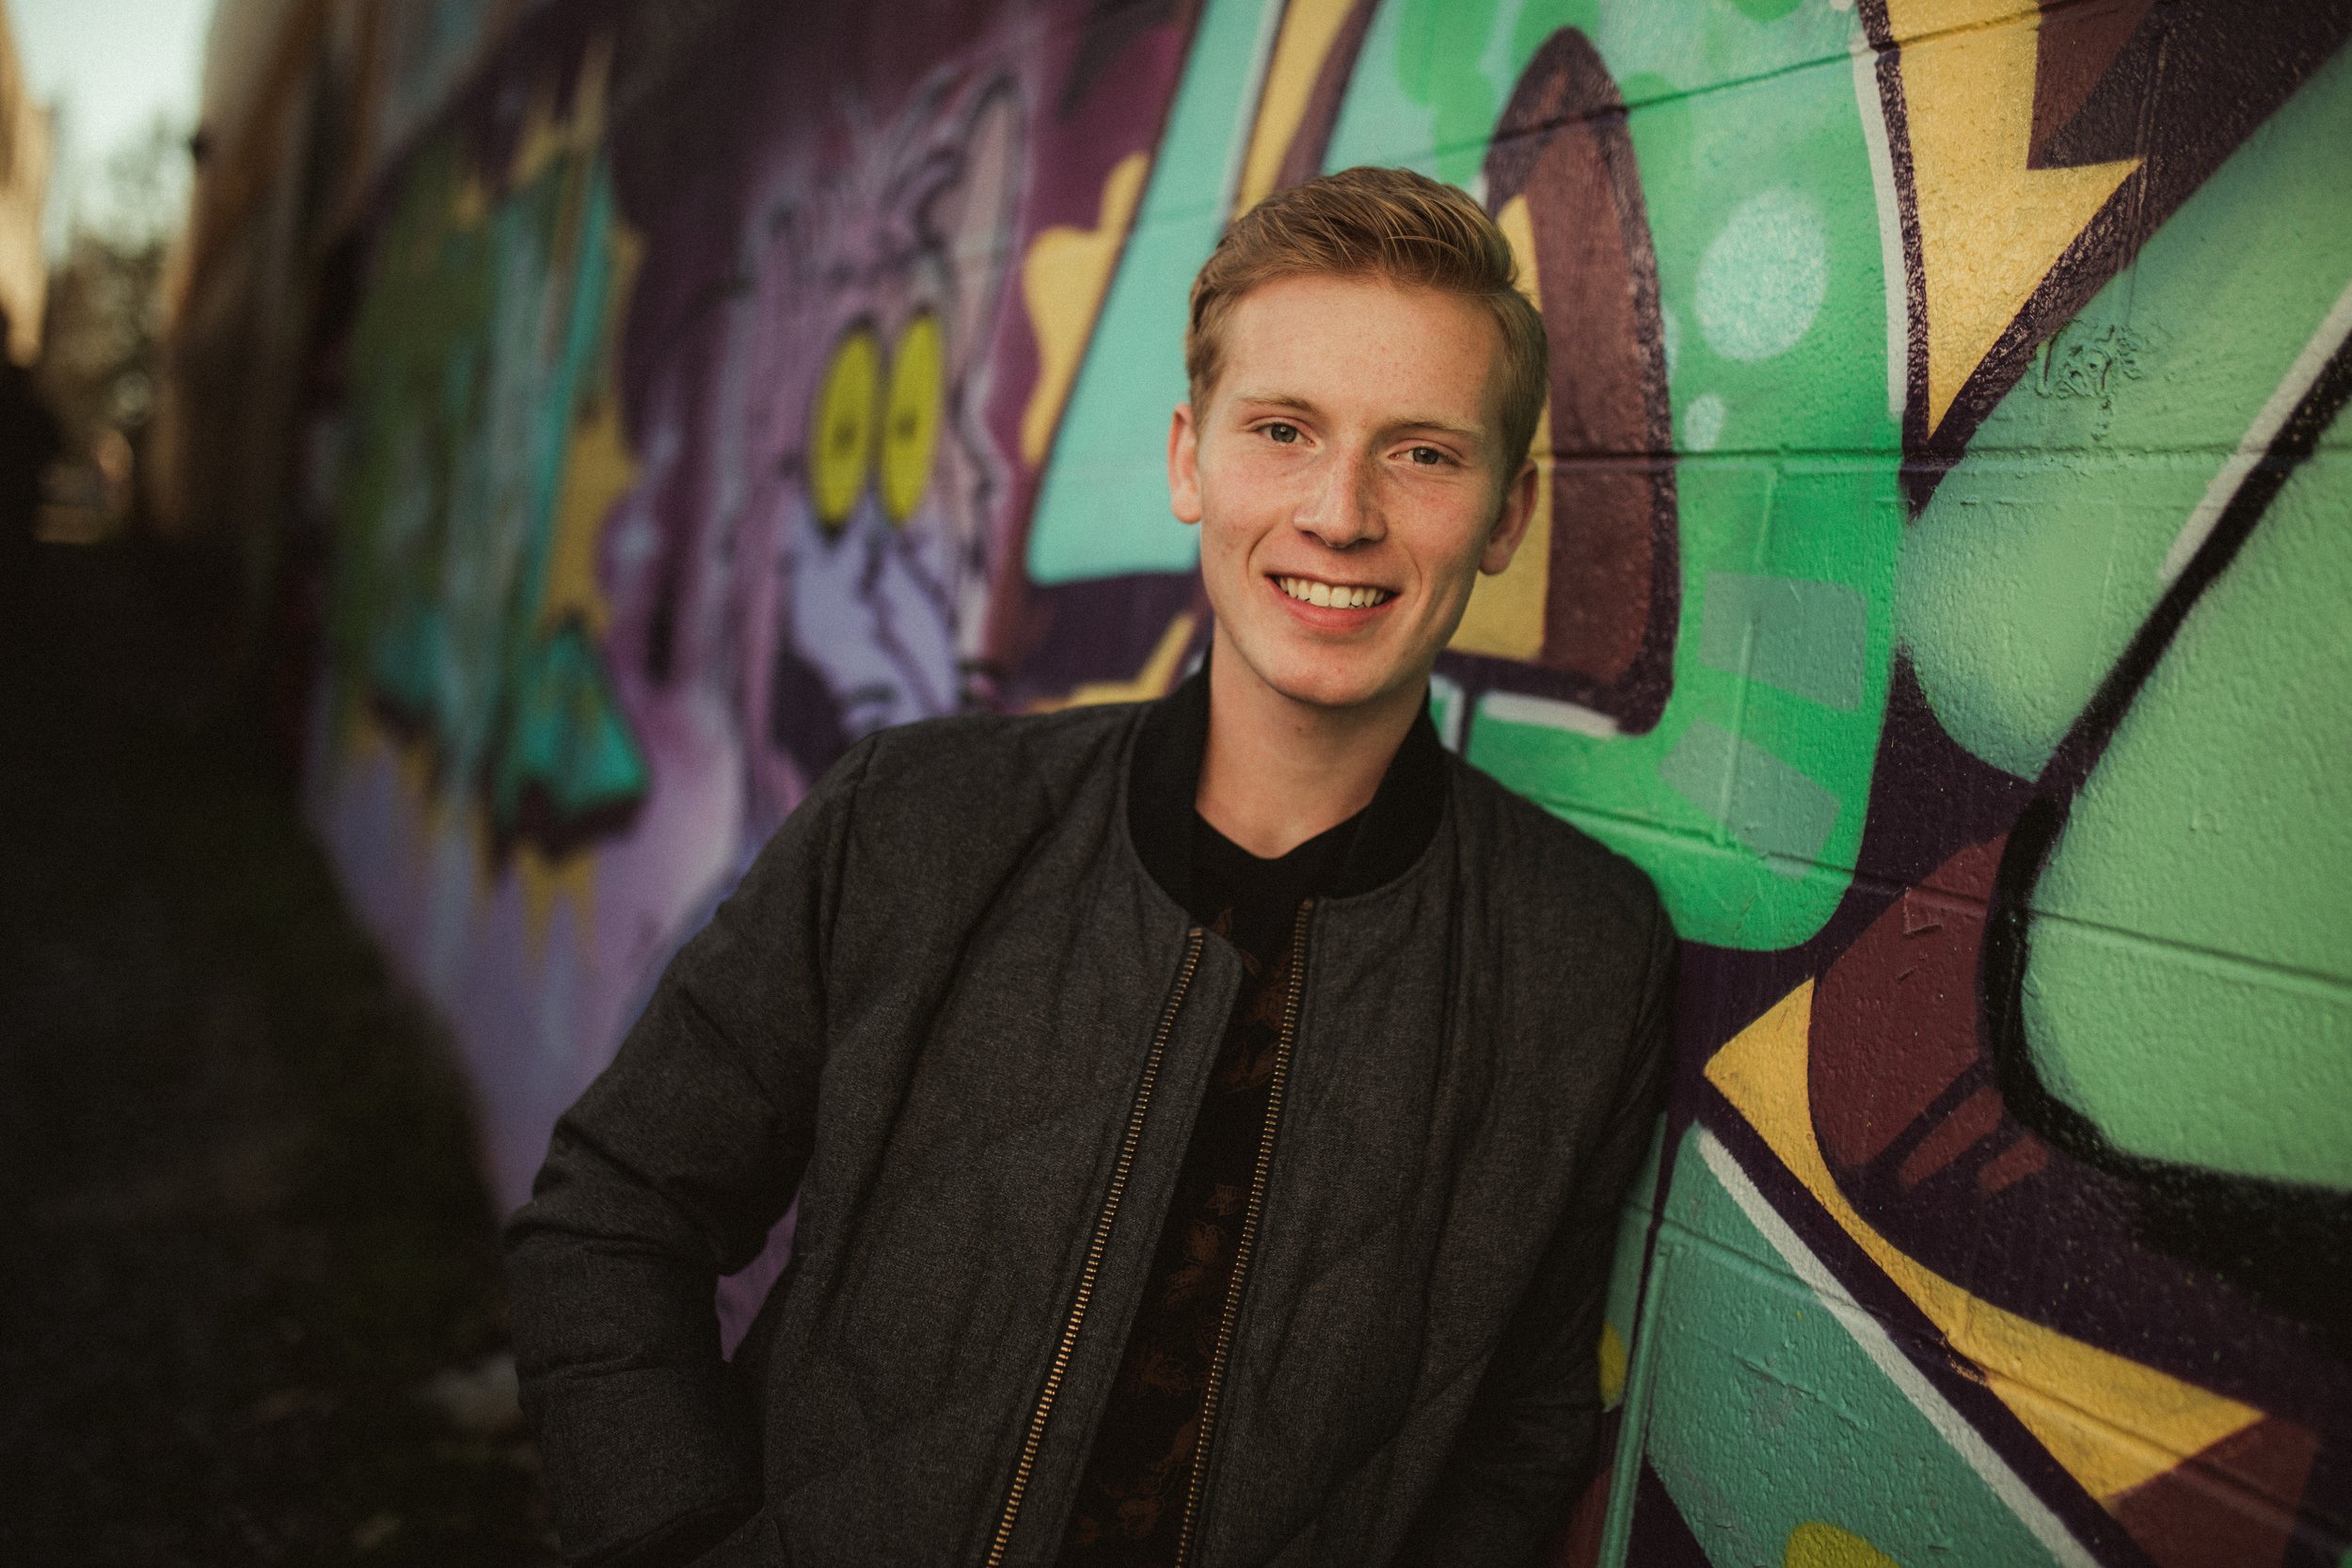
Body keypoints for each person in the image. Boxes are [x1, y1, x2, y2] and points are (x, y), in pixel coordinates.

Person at [507, 166, 1677, 1568]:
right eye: (1283, 431)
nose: (1341, 513)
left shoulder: (1580, 957)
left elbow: (1522, 1428)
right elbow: (615, 1213)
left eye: (1423, 453)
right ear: (1190, 460)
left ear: (1507, 513)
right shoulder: (919, 825)